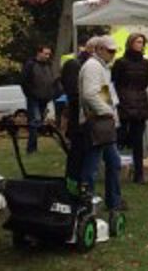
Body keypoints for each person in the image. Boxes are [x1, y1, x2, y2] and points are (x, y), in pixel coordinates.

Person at [79, 35, 125, 211]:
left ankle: (114, 201)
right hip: (96, 123)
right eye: (110, 51)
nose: (113, 54)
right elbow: (89, 94)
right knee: (92, 166)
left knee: (113, 163)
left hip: (103, 123)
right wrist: (106, 112)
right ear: (99, 50)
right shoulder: (92, 67)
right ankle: (86, 203)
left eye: (114, 51)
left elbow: (103, 92)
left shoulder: (102, 67)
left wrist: (111, 111)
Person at [112, 33, 148, 184]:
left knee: (138, 141)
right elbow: (114, 82)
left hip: (140, 103)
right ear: (130, 43)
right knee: (119, 137)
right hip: (123, 102)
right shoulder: (120, 62)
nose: (140, 44)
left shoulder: (145, 63)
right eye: (137, 42)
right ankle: (116, 170)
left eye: (142, 42)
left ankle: (139, 174)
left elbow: (145, 82)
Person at [61, 36, 93, 186]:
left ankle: (82, 183)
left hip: (92, 116)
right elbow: (73, 93)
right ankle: (73, 183)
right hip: (79, 117)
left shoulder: (99, 67)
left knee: (86, 153)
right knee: (77, 153)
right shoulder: (74, 65)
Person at [21, 44, 58, 154]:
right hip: (34, 98)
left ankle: (33, 146)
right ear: (39, 53)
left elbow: (52, 80)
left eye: (49, 54)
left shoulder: (49, 65)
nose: (47, 56)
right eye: (45, 53)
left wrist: (52, 93)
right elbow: (24, 81)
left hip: (45, 98)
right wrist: (30, 94)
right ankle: (31, 148)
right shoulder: (30, 65)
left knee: (39, 123)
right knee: (34, 122)